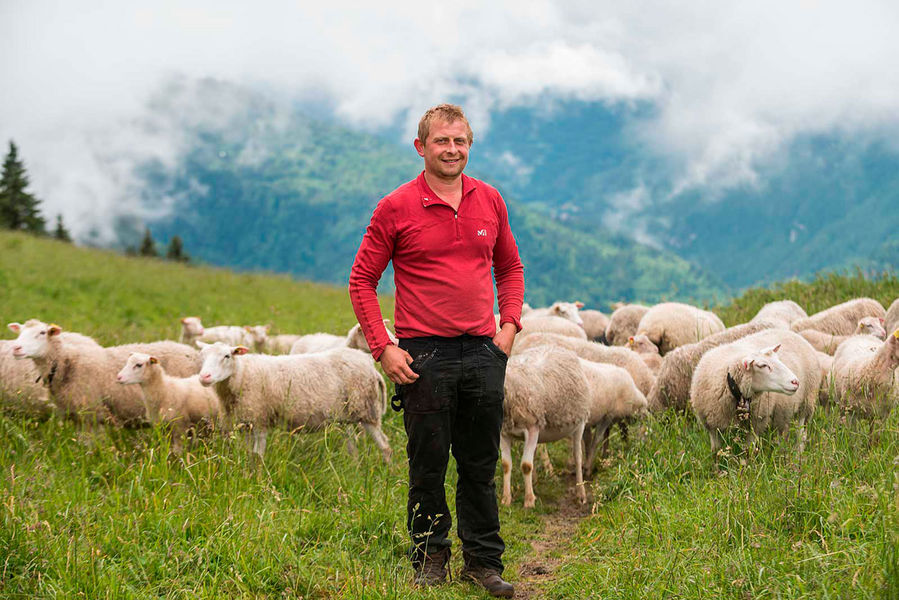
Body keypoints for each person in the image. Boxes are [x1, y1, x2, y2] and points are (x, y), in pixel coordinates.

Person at [349, 103, 524, 598]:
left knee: (480, 464)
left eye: (460, 141)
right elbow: (362, 280)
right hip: (423, 355)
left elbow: (510, 268)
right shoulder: (395, 207)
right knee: (427, 464)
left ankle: (483, 563)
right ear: (420, 146)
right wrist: (383, 347)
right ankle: (429, 558)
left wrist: (508, 327)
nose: (452, 150)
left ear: (470, 145)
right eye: (442, 141)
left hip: (483, 352)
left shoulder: (490, 200)